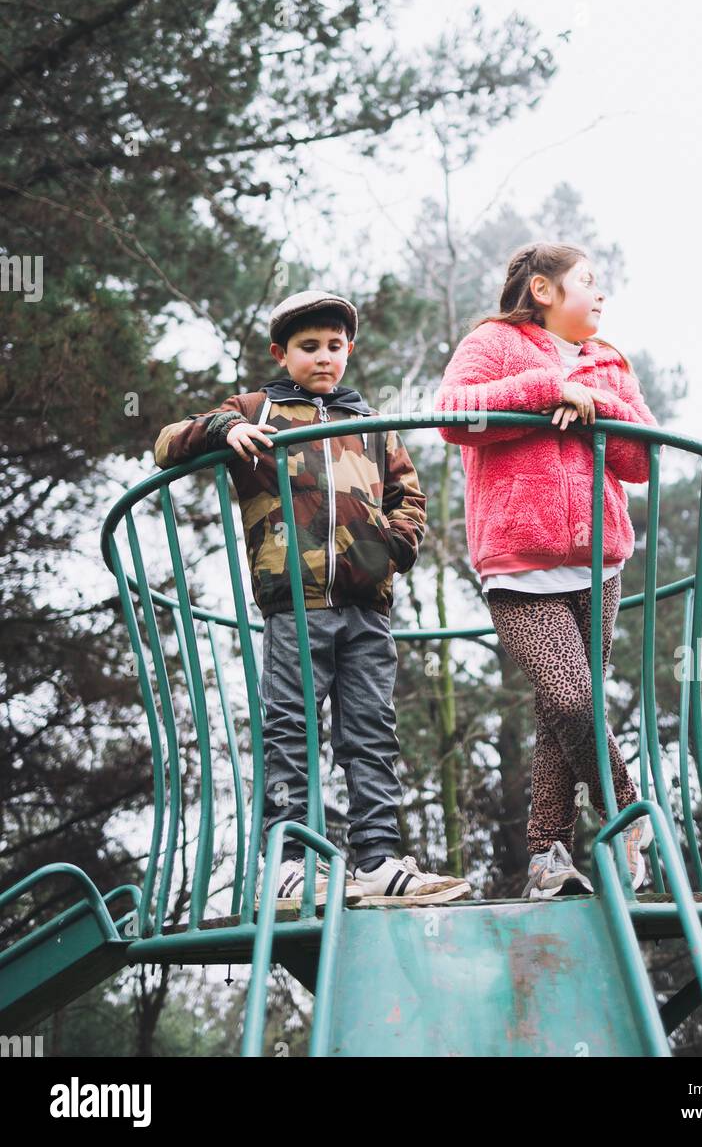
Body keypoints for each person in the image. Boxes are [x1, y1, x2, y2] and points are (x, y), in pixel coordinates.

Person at [154, 289, 470, 910]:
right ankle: (290, 860)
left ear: (348, 350)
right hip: (296, 605)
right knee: (293, 727)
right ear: (282, 353)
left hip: (367, 608)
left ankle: (378, 859)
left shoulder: (370, 426)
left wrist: (391, 550)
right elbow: (167, 443)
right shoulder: (258, 409)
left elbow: (409, 497)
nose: (323, 358)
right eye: (308, 348)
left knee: (372, 730)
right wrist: (228, 428)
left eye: (334, 346)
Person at [434, 244, 656, 898]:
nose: (601, 294)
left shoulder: (609, 360)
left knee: (560, 718)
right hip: (517, 562)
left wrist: (593, 402)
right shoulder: (495, 342)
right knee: (569, 699)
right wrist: (544, 392)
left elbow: (641, 459)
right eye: (587, 282)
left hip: (600, 561)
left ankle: (547, 858)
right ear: (542, 289)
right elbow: (452, 414)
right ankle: (623, 806)